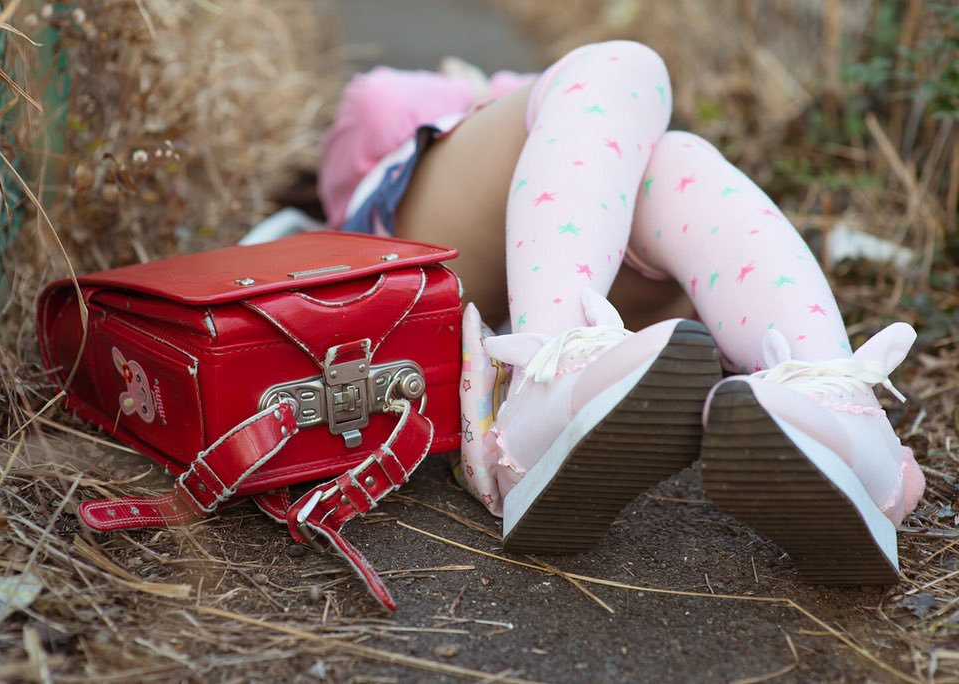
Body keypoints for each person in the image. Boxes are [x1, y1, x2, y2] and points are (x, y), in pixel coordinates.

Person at [318, 41, 925, 584]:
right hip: (411, 255)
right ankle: (551, 367)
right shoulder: (413, 96)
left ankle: (841, 418)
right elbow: (367, 114)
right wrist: (477, 89)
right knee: (622, 67)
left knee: (675, 159)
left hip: (588, 279)